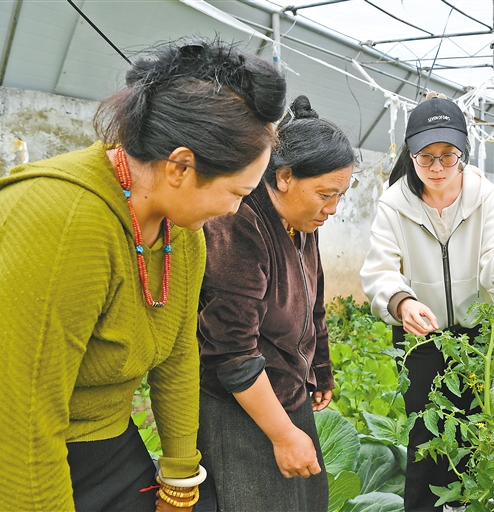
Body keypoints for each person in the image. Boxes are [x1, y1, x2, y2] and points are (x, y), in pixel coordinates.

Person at [0, 38, 286, 512]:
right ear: (181, 166)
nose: (235, 210)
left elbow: (178, 355)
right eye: (237, 192)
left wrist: (180, 481)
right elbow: (22, 430)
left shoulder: (182, 232)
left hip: (104, 437)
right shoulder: (64, 223)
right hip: (1, 461)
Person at [360, 95, 494, 512]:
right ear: (411, 155)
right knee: (426, 436)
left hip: (477, 336)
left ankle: (471, 504)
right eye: (426, 157)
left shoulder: (483, 197)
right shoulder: (394, 205)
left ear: (463, 154)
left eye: (447, 156)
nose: (437, 167)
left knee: (477, 430)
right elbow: (380, 271)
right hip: (421, 335)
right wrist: (403, 303)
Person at [196, 95, 354, 512]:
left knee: (305, 501)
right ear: (284, 177)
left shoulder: (302, 222)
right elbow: (232, 353)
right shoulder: (239, 224)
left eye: (340, 195)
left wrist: (320, 368)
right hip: (242, 408)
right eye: (326, 194)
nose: (332, 209)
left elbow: (314, 302)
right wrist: (283, 435)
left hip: (288, 392)